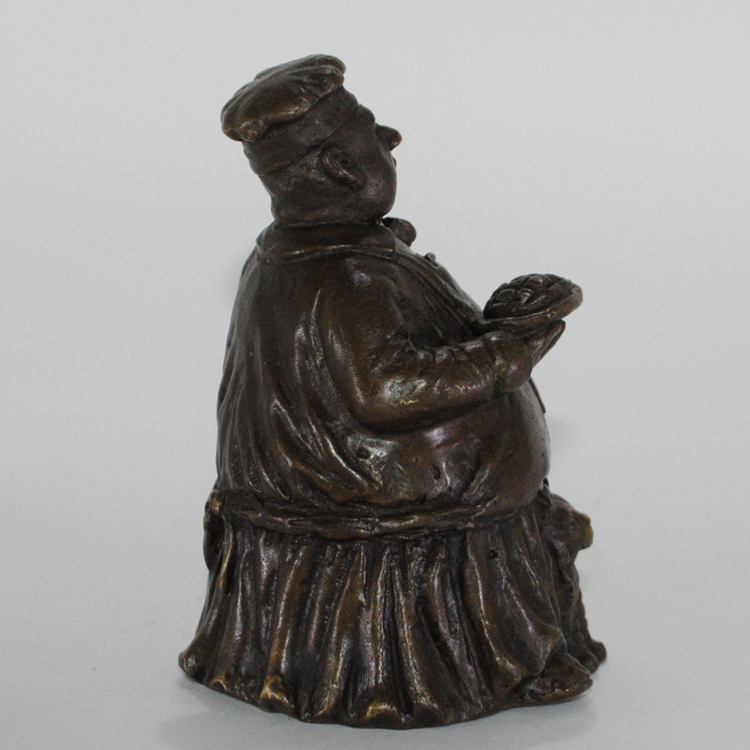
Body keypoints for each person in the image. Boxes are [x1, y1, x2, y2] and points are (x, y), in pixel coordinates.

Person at [180, 54, 605, 729]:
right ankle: (436, 673)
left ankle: (524, 653)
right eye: (370, 132)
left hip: (435, 498)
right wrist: (511, 351)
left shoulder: (323, 255)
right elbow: (387, 389)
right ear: (341, 168)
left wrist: (489, 326)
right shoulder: (340, 274)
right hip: (396, 512)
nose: (389, 140)